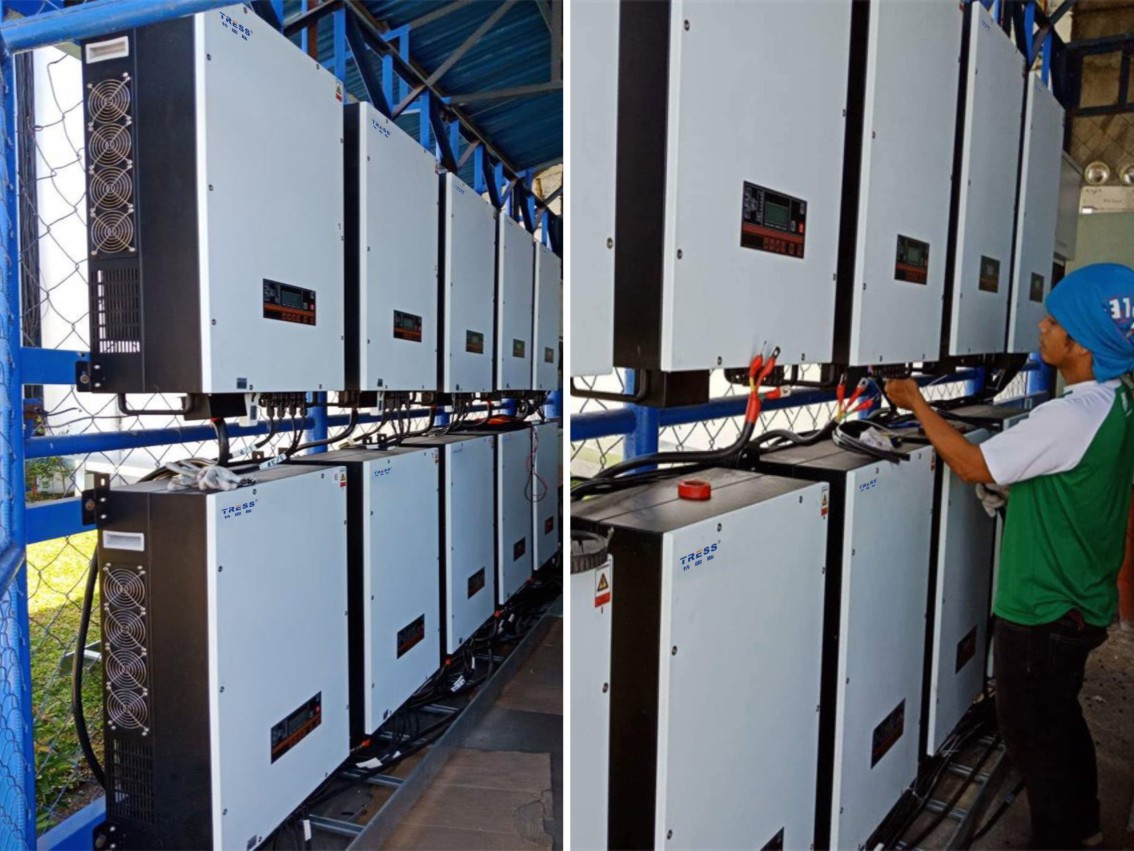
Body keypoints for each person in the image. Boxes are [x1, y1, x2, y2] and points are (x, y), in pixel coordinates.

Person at [884, 263, 1134, 850]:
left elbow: (972, 464)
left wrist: (915, 402)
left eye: (1054, 321)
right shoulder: (1118, 399)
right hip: (1082, 598)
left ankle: (1061, 838)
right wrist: (1021, 492)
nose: (1042, 327)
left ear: (1083, 344)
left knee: (1033, 742)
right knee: (1060, 720)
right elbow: (1073, 480)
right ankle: (1086, 826)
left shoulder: (1070, 416)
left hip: (1043, 607)